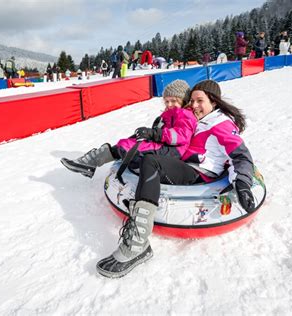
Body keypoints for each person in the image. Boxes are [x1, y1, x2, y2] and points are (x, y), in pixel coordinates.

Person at [95, 80, 255, 278]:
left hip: (198, 173)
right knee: (144, 157)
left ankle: (138, 242)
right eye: (192, 100)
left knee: (152, 163)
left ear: (213, 101)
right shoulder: (202, 118)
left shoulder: (221, 124)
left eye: (200, 101)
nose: (194, 105)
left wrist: (243, 184)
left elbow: (241, 156)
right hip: (184, 164)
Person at [61, 79, 197, 179]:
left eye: (173, 101)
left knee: (126, 146)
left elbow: (181, 135)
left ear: (183, 100)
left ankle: (95, 162)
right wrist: (149, 133)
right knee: (128, 141)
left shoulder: (185, 114)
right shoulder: (169, 113)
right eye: (167, 101)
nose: (169, 104)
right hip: (165, 146)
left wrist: (154, 133)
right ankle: (90, 162)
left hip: (174, 151)